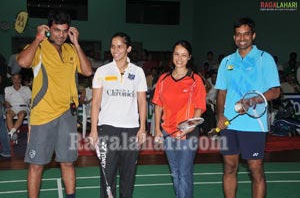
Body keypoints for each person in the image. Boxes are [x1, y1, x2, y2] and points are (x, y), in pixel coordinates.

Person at [16, 10, 92, 198]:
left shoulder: (71, 50)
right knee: (36, 165)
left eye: (64, 31)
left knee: (67, 162)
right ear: (49, 29)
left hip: (68, 115)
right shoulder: (39, 48)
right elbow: (23, 62)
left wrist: (76, 43)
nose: (61, 35)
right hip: (44, 114)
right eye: (57, 30)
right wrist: (37, 39)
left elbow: (88, 71)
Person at [214, 17, 280, 198]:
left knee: (255, 169)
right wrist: (219, 116)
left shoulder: (264, 59)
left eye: (246, 34)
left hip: (254, 124)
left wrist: (253, 100)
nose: (242, 38)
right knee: (229, 167)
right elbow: (221, 93)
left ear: (253, 35)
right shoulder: (227, 61)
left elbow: (275, 91)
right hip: (228, 123)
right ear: (234, 37)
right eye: (238, 34)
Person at [89, 32, 147, 198]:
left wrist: (142, 128)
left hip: (131, 130)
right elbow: (96, 102)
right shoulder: (102, 71)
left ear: (128, 48)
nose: (116, 50)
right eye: (113, 46)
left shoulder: (138, 72)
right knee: (107, 179)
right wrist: (93, 130)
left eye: (120, 46)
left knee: (128, 177)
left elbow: (142, 102)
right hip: (107, 129)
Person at [152, 40, 206, 198]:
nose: (180, 58)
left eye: (184, 55)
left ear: (189, 57)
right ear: (172, 56)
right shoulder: (163, 79)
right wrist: (157, 130)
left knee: (184, 173)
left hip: (187, 134)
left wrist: (189, 127)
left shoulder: (195, 80)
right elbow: (158, 106)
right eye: (177, 54)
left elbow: (199, 107)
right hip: (167, 132)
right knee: (175, 173)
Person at [4, 73, 31, 141]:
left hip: (23, 107)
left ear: (20, 80)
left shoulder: (26, 88)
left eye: (18, 78)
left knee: (21, 114)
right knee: (8, 114)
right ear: (12, 80)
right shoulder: (7, 89)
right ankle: (13, 133)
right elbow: (5, 100)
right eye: (14, 78)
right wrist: (6, 103)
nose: (16, 80)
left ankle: (11, 132)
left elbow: (31, 99)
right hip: (12, 107)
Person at [0, 53, 11, 159]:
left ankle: (6, 150)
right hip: (1, 94)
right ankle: (6, 150)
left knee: (0, 124)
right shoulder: (2, 60)